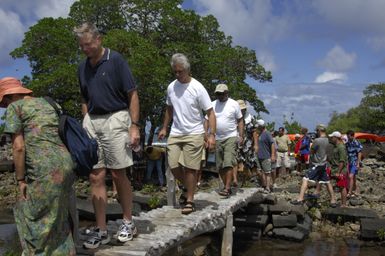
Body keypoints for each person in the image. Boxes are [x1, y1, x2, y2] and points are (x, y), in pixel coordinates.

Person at [74, 22, 140, 248]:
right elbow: (84, 97)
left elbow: (132, 94)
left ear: (99, 39)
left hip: (116, 118)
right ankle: (101, 229)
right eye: (82, 46)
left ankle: (128, 221)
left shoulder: (116, 60)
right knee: (95, 176)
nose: (86, 49)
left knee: (119, 172)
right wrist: (85, 119)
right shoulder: (82, 67)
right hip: (92, 120)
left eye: (89, 44)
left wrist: (134, 125)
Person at [0, 77, 76, 255]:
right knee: (59, 216)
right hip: (66, 162)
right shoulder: (49, 103)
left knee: (32, 216)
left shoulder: (15, 107)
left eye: (3, 101)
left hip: (44, 168)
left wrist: (20, 179)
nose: (4, 105)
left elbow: (18, 147)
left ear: (8, 97)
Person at [158, 53, 216, 215]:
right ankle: (189, 186)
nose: (177, 75)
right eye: (175, 72)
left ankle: (189, 200)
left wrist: (211, 135)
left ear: (187, 70)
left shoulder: (198, 88)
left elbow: (210, 113)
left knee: (191, 169)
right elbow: (169, 109)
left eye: (180, 71)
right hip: (176, 132)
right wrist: (164, 128)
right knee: (173, 165)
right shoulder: (171, 87)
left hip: (195, 132)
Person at [205, 84, 244, 198]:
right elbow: (206, 120)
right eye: (218, 93)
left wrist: (241, 135)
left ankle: (227, 188)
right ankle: (227, 185)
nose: (220, 96)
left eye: (222, 93)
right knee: (220, 165)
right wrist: (206, 135)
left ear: (227, 93)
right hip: (216, 138)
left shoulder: (234, 104)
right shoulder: (212, 105)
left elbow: (240, 120)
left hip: (230, 136)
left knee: (228, 162)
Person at [291, 124, 337, 207]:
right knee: (327, 182)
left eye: (316, 131)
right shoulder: (328, 140)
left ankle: (300, 199)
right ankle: (333, 200)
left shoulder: (317, 141)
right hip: (324, 164)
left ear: (319, 131)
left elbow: (311, 152)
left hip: (317, 164)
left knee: (305, 179)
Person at [236, 100, 259, 186]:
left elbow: (254, 132)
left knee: (251, 162)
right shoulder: (234, 117)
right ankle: (240, 182)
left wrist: (256, 145)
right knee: (239, 163)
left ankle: (255, 179)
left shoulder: (250, 118)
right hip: (237, 144)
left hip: (248, 144)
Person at [328, 131, 349, 207]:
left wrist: (338, 172)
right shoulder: (336, 146)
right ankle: (335, 200)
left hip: (340, 170)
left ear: (336, 138)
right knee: (329, 182)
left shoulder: (341, 147)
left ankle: (344, 204)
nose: (331, 138)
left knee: (342, 187)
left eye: (332, 137)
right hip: (334, 168)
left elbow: (342, 161)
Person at [256, 120, 276, 193]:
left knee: (267, 172)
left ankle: (267, 187)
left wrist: (273, 155)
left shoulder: (267, 133)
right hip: (259, 156)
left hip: (266, 156)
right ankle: (264, 186)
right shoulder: (260, 134)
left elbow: (272, 144)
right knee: (260, 172)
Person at [345, 130, 363, 198]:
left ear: (352, 135)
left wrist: (358, 163)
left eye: (348, 136)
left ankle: (349, 192)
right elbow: (346, 152)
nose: (348, 137)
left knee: (351, 176)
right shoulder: (347, 143)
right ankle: (356, 190)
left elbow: (359, 152)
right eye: (347, 136)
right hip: (349, 161)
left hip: (354, 162)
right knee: (353, 177)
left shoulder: (356, 142)